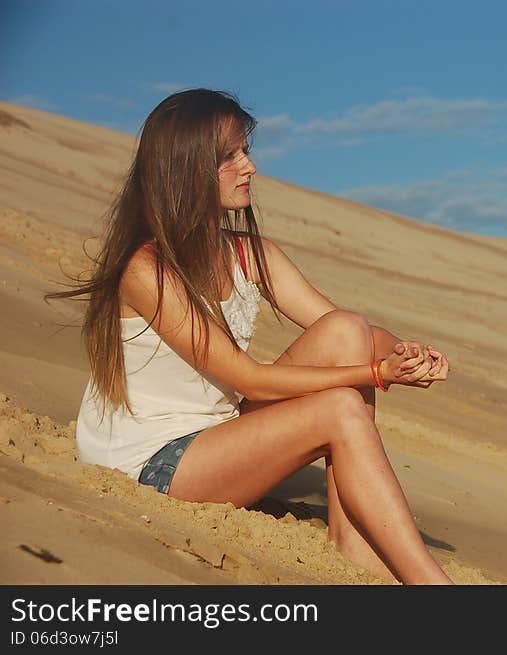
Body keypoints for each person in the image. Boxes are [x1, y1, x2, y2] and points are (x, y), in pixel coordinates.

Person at [47, 88, 453, 585]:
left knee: (347, 329)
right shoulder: (145, 269)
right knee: (340, 407)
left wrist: (404, 355)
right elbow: (251, 380)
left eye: (246, 150)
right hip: (153, 460)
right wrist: (375, 375)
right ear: (186, 168)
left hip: (219, 432)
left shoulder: (248, 253)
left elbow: (350, 332)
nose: (250, 167)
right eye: (230, 156)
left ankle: (351, 535)